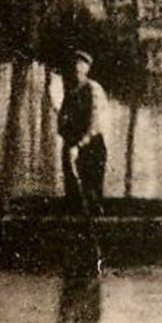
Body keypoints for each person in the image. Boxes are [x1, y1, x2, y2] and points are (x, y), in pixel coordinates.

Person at [57, 50, 107, 213]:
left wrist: (78, 146)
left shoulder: (93, 90)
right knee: (73, 195)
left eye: (79, 67)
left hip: (91, 148)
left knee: (91, 192)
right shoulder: (71, 91)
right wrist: (64, 130)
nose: (75, 70)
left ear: (86, 69)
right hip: (72, 146)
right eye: (73, 67)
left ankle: (96, 226)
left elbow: (95, 123)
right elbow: (62, 121)